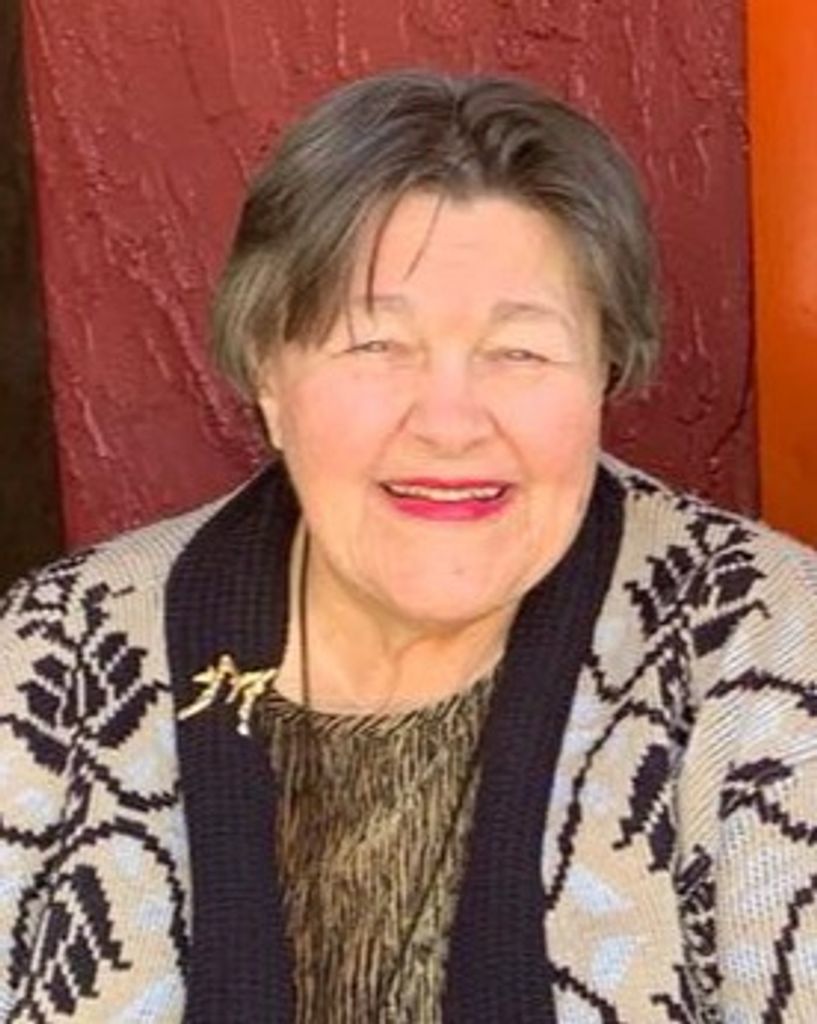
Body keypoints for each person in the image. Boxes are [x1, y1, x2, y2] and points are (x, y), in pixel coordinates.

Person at [1, 69, 815, 1024]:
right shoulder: (55, 654)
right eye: (375, 345)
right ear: (267, 370)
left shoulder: (768, 651)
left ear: (603, 369)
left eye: (519, 351)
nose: (449, 423)